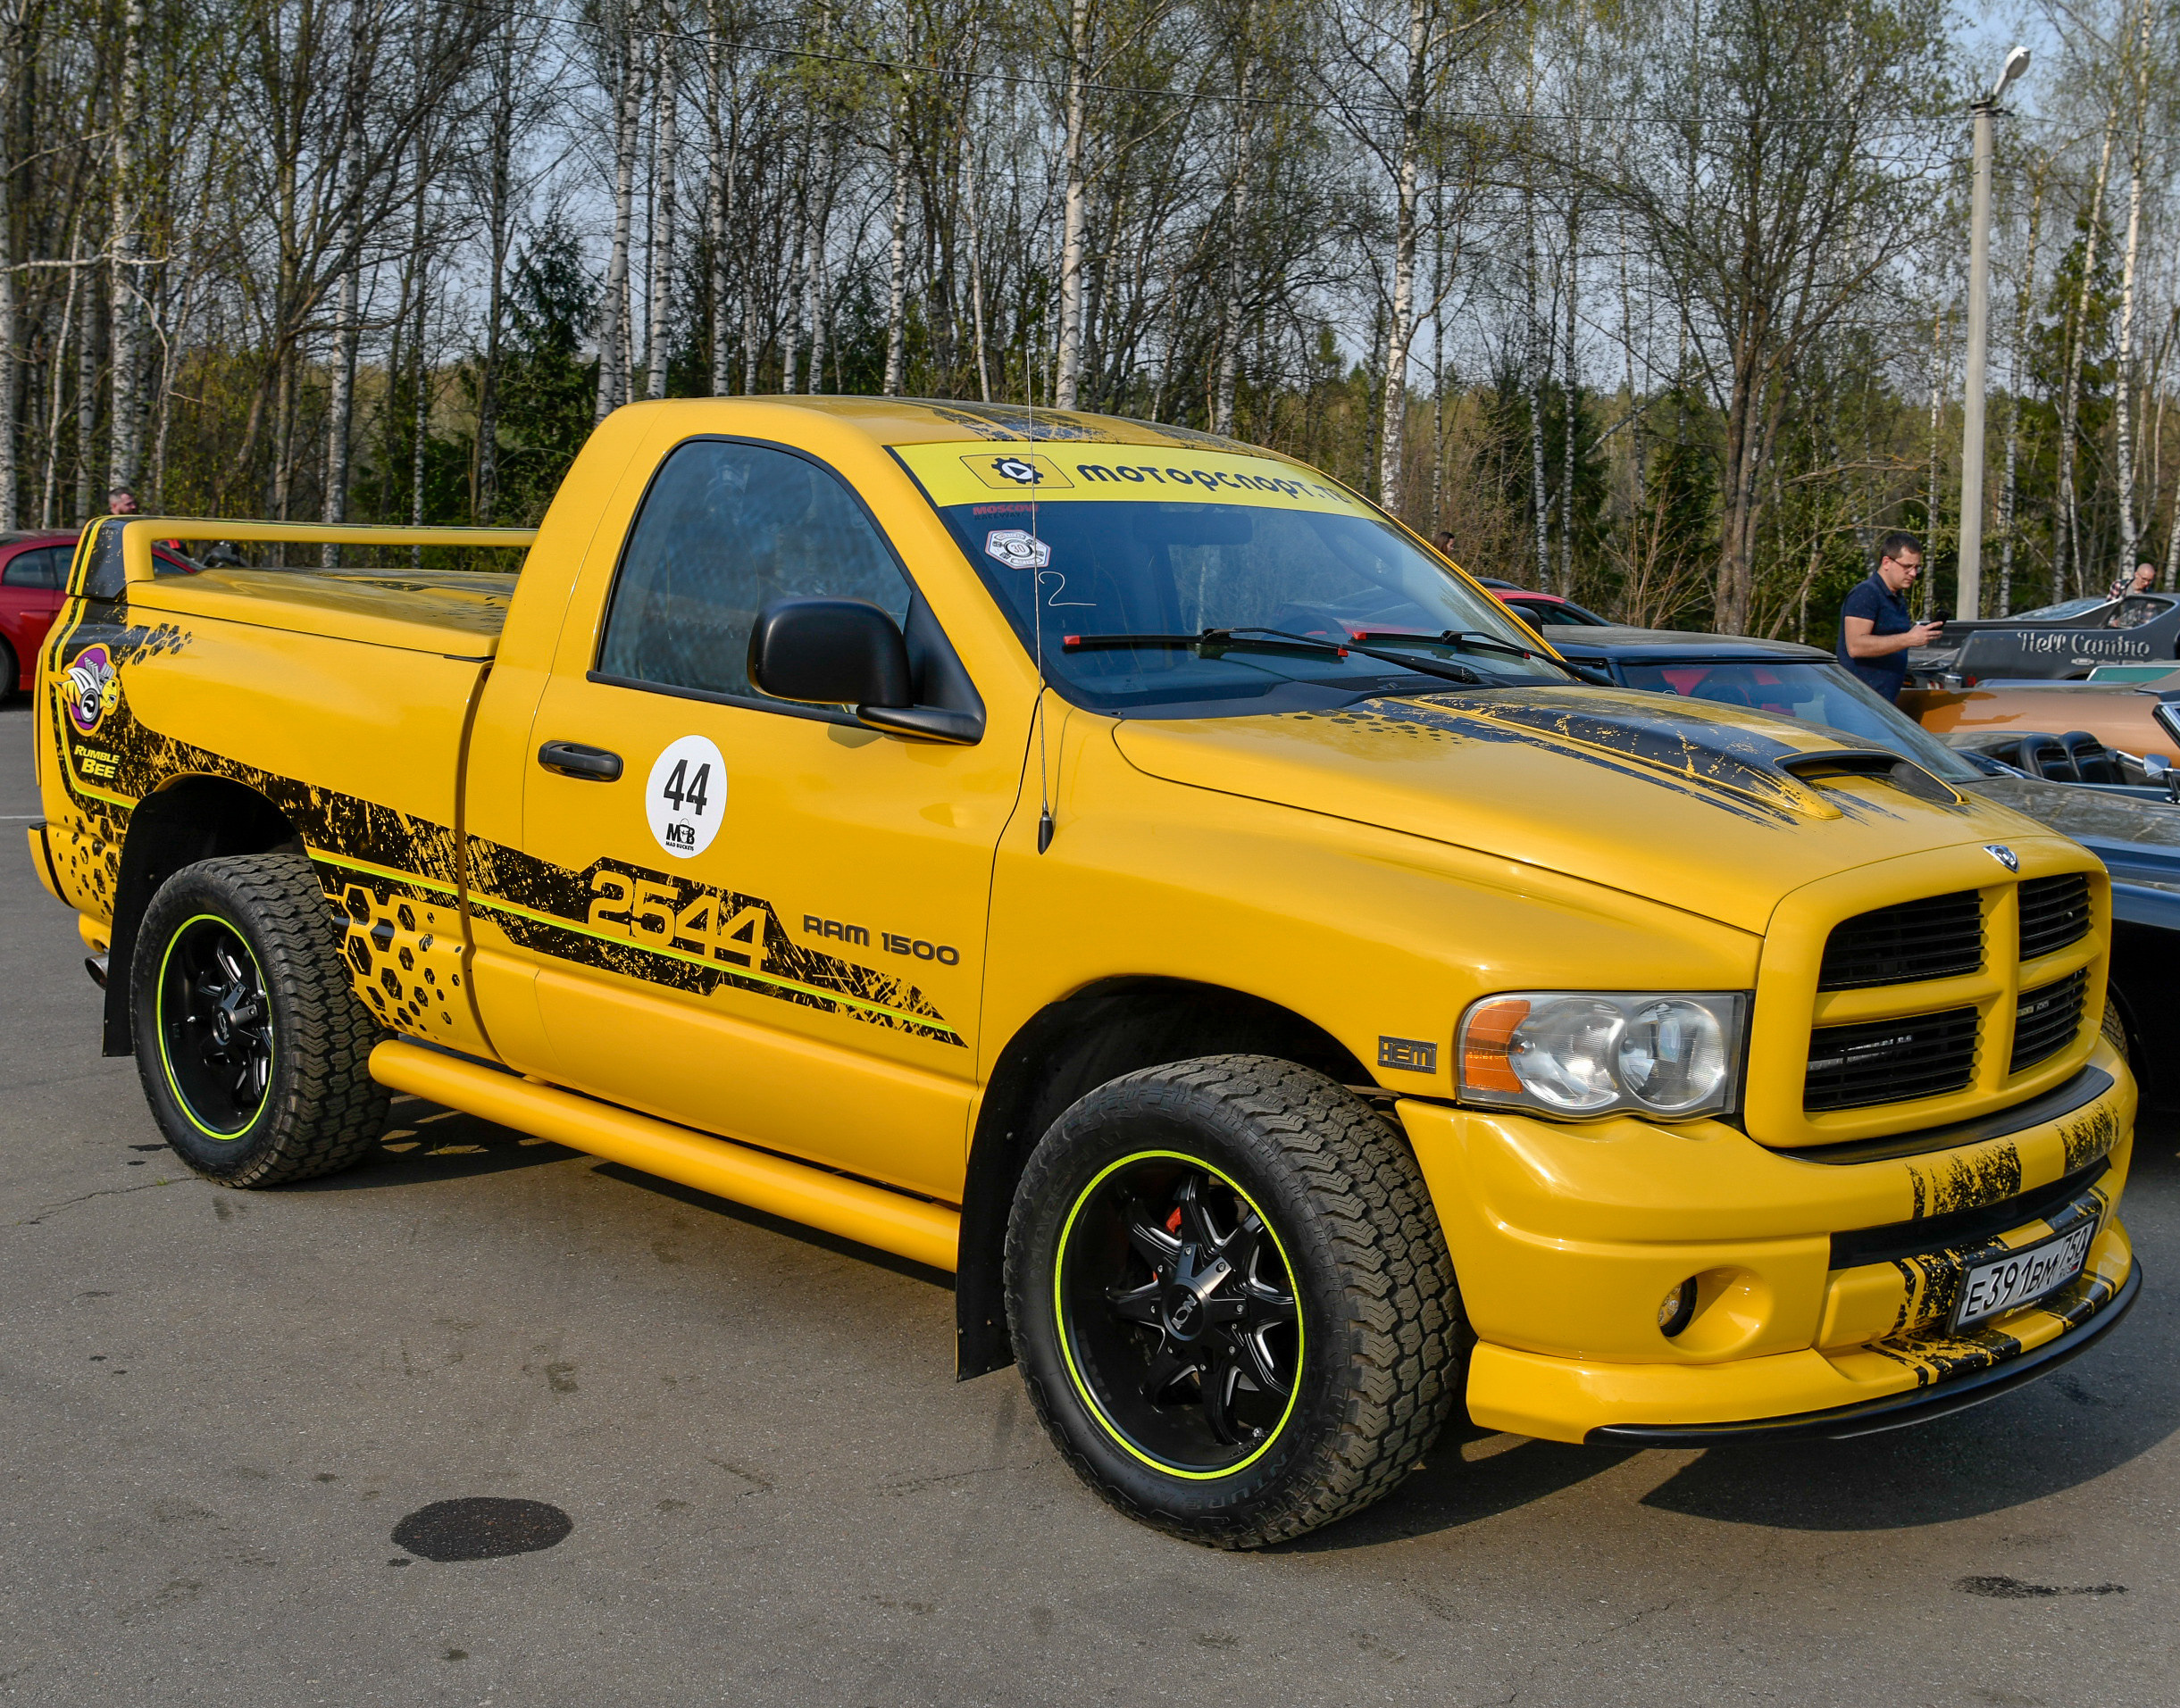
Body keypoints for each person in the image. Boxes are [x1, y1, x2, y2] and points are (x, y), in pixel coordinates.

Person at [1839, 530, 1942, 703]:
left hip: (1882, 703)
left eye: (1917, 567)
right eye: (1907, 567)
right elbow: (1856, 646)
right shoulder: (1866, 593)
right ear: (1887, 562)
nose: (1913, 574)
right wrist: (1909, 639)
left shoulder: (1896, 597)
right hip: (1857, 703)